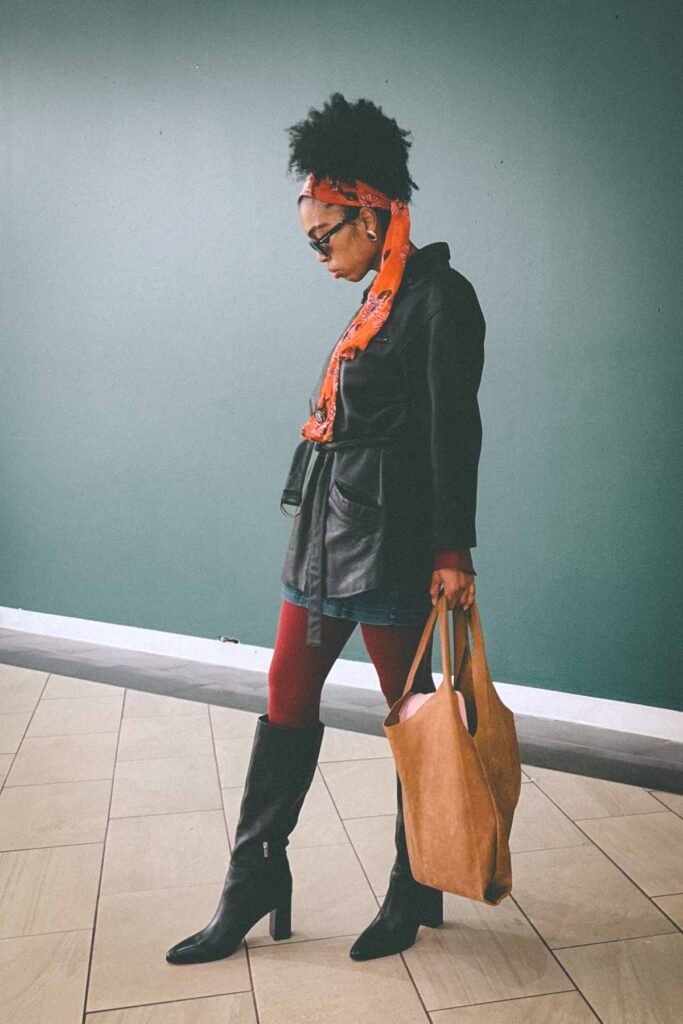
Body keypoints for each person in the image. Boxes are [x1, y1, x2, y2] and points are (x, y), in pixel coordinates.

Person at [166, 93, 485, 966]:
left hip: (392, 536)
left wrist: (451, 549)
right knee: (284, 691)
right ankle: (255, 876)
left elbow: (451, 430)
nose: (316, 250)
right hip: (322, 525)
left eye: (325, 234)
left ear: (378, 213)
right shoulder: (373, 298)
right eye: (307, 235)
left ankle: (414, 884)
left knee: (407, 712)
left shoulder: (437, 299)